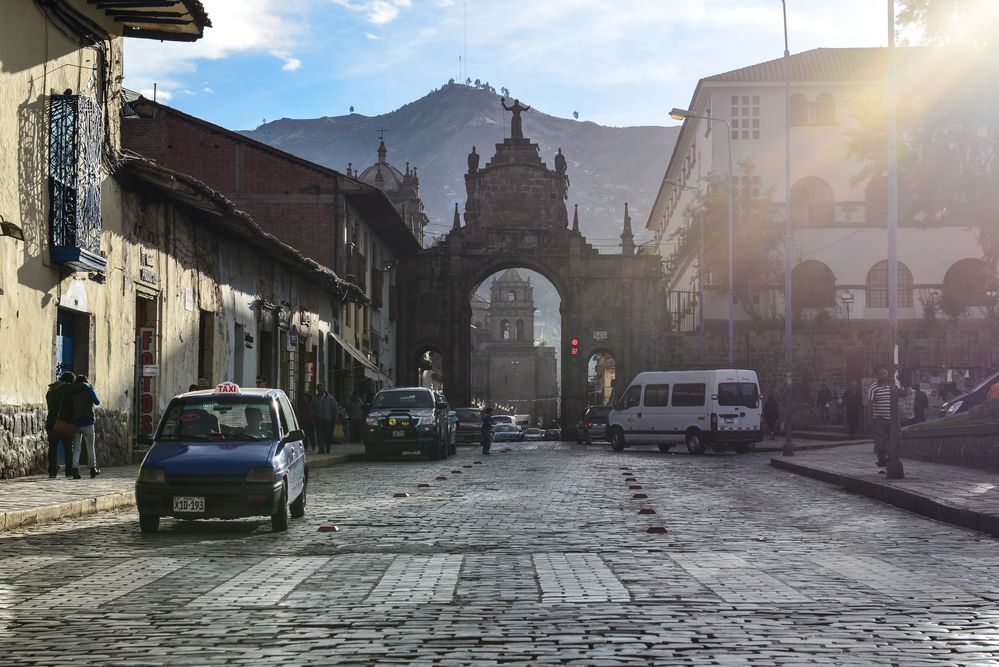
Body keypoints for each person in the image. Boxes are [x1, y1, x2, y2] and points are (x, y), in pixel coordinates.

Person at [869, 364, 908, 472]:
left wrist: (904, 386)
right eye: (880, 374)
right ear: (876, 375)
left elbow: (903, 394)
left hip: (893, 420)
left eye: (885, 373)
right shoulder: (873, 387)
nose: (883, 375)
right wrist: (870, 419)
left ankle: (891, 462)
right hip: (879, 419)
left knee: (894, 442)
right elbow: (870, 403)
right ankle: (882, 464)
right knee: (880, 443)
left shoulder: (894, 384)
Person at [68, 375, 101, 479]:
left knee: (76, 448)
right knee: (90, 447)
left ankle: (75, 471)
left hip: (76, 423)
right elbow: (97, 402)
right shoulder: (89, 390)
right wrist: (92, 390)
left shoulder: (73, 392)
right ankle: (92, 470)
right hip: (88, 422)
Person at [45, 372, 75, 478]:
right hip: (64, 422)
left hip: (51, 422)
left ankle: (52, 471)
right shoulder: (67, 389)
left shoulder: (51, 389)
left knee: (52, 447)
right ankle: (69, 470)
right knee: (68, 447)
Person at [310, 384, 339, 454]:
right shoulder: (315, 398)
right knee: (320, 435)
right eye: (318, 389)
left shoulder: (330, 398)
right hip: (319, 419)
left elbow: (334, 408)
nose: (320, 390)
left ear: (324, 389)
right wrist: (315, 414)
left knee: (327, 434)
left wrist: (336, 417)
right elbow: (311, 408)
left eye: (321, 389)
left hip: (328, 419)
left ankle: (328, 447)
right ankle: (321, 449)